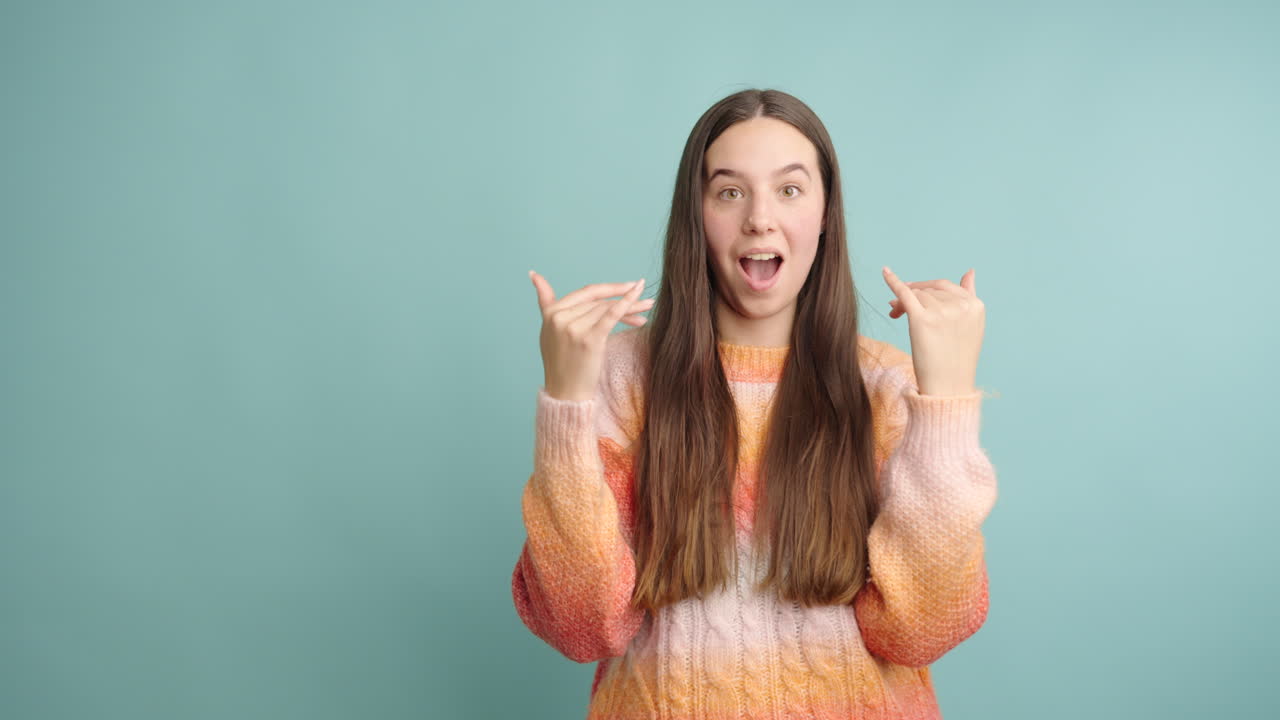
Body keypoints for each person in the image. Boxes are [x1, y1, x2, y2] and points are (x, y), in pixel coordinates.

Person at [511, 87, 996, 720]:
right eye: (730, 191)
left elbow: (921, 631)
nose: (759, 219)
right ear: (698, 215)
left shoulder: (886, 388)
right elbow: (578, 628)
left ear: (825, 213)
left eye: (790, 190)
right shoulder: (622, 380)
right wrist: (566, 406)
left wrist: (948, 401)